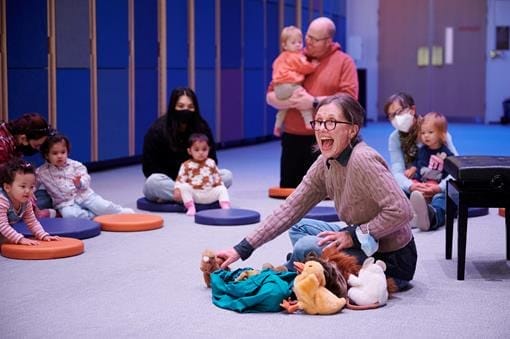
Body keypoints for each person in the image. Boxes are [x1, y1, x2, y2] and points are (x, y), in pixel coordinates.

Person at [217, 94, 417, 291]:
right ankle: (314, 265)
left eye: (331, 122)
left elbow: (402, 210)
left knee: (305, 246)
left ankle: (291, 270)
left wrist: (355, 235)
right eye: (319, 122)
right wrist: (241, 249)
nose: (321, 129)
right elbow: (290, 209)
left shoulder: (363, 159)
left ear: (352, 130)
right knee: (300, 227)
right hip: (364, 241)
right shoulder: (325, 161)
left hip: (391, 260)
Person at [266, 17, 358, 188]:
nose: (307, 42)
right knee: (289, 190)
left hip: (326, 139)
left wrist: (313, 102)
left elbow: (350, 98)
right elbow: (271, 93)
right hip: (292, 137)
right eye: (307, 36)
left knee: (323, 195)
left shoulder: (344, 62)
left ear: (328, 41)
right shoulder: (294, 57)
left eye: (314, 39)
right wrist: (288, 102)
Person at [142, 87, 233, 203]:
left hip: (198, 182)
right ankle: (199, 198)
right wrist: (180, 182)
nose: (185, 110)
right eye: (180, 106)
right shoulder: (158, 130)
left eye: (190, 107)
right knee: (153, 183)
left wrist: (198, 178)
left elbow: (212, 159)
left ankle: (184, 198)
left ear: (195, 108)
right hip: (170, 181)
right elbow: (149, 168)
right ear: (173, 107)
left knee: (227, 176)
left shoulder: (202, 127)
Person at [384, 92, 459, 231]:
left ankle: (432, 216)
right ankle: (413, 214)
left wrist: (438, 187)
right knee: (391, 189)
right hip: (415, 183)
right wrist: (411, 186)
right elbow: (397, 170)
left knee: (449, 193)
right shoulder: (394, 138)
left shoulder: (436, 129)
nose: (396, 119)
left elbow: (456, 167)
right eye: (391, 116)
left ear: (412, 110)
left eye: (399, 112)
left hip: (438, 183)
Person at [36, 133, 134, 219]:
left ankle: (120, 212)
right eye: (55, 153)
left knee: (103, 206)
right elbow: (33, 184)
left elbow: (86, 178)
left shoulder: (76, 165)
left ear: (67, 152)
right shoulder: (41, 172)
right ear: (46, 155)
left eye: (63, 152)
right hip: (65, 203)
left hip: (84, 195)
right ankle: (93, 216)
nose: (60, 156)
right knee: (70, 216)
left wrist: (79, 183)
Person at [0, 112, 55, 216]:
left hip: (6, 185)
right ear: (23, 138)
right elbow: (6, 178)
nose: (37, 149)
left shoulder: (14, 141)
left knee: (48, 196)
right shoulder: (2, 144)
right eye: (36, 145)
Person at [272, 25, 319, 137]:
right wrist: (313, 66)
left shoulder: (280, 57)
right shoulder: (296, 57)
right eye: (293, 43)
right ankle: (308, 123)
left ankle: (277, 126)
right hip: (290, 86)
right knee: (303, 98)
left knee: (284, 108)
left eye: (299, 41)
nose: (298, 45)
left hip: (278, 88)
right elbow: (304, 67)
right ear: (284, 45)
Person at [0, 158, 60, 245]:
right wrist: (20, 239)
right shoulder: (2, 201)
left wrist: (43, 235)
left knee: (7, 240)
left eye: (31, 187)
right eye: (23, 186)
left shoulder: (26, 202)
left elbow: (32, 221)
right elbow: (2, 225)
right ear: (7, 187)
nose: (28, 191)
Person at [175, 133, 231, 216]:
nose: (201, 153)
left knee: (222, 188)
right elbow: (180, 180)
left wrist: (219, 187)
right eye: (197, 150)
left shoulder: (211, 162)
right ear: (189, 151)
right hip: (195, 195)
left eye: (204, 149)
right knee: (184, 187)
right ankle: (190, 207)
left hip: (209, 193)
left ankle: (225, 206)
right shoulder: (186, 165)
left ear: (209, 149)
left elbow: (217, 178)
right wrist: (177, 190)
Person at [406, 112, 454, 185]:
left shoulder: (445, 152)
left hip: (436, 182)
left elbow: (450, 169)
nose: (426, 136)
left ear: (441, 134)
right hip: (421, 180)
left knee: (439, 195)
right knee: (410, 184)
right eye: (423, 133)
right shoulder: (422, 149)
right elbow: (417, 161)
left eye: (430, 132)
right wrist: (413, 169)